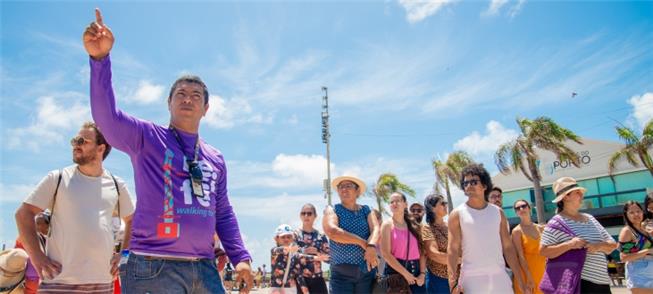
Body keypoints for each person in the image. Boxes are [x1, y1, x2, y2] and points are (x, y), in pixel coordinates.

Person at [83, 9, 252, 293]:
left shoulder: (215, 158)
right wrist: (100, 60)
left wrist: (241, 257)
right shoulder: (147, 137)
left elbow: (222, 211)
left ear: (206, 109)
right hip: (154, 266)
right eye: (181, 94)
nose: (188, 99)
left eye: (196, 96)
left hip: (205, 268)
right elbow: (107, 120)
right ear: (169, 103)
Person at [14, 122, 134, 293]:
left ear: (101, 148)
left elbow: (132, 219)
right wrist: (37, 257)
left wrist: (124, 255)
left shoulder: (117, 185)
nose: (76, 146)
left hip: (102, 284)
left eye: (82, 141)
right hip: (59, 283)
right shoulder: (57, 178)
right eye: (74, 141)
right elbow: (23, 214)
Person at [446, 164, 529, 294]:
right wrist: (452, 282)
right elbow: (452, 249)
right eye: (465, 182)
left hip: (499, 276)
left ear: (484, 186)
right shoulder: (457, 214)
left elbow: (508, 248)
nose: (469, 185)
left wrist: (519, 279)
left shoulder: (498, 212)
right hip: (471, 278)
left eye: (474, 182)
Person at [540, 177, 617, 294]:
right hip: (578, 284)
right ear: (566, 197)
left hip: (603, 283)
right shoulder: (555, 222)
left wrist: (598, 246)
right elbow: (543, 251)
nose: (582, 195)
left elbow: (612, 245)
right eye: (577, 192)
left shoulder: (590, 218)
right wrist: (570, 244)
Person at [323, 175, 380, 293]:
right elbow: (332, 232)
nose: (344, 189)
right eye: (341, 187)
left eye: (348, 186)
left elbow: (376, 229)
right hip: (340, 274)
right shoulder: (332, 209)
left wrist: (371, 246)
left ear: (357, 190)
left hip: (366, 272)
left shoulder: (367, 209)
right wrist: (364, 244)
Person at [380, 192, 426, 293]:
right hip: (396, 275)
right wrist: (406, 274)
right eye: (391, 202)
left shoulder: (415, 225)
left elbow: (422, 251)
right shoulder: (387, 225)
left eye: (398, 201)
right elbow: (386, 254)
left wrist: (422, 274)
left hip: (418, 274)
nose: (394, 204)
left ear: (405, 204)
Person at [270, 224, 327, 294]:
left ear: (292, 239)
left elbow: (302, 258)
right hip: (276, 287)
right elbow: (279, 250)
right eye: (283, 237)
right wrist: (288, 249)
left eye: (289, 237)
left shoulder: (294, 255)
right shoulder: (274, 251)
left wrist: (316, 258)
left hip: (291, 288)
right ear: (276, 239)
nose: (286, 239)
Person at [617, 201, 653, 292]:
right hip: (639, 274)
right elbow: (624, 257)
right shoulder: (628, 231)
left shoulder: (646, 228)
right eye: (632, 212)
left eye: (638, 211)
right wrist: (647, 251)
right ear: (626, 215)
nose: (636, 214)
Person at [511, 199, 544, 294]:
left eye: (524, 206)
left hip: (542, 272)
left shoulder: (541, 228)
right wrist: (529, 277)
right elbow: (520, 256)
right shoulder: (516, 231)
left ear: (529, 208)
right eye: (518, 208)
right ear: (516, 213)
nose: (521, 209)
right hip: (527, 275)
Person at [295, 204, 330, 294]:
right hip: (299, 280)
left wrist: (318, 253)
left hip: (317, 280)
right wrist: (303, 251)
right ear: (300, 216)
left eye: (309, 213)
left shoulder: (321, 236)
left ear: (315, 216)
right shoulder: (294, 235)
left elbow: (329, 258)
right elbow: (290, 256)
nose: (306, 216)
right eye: (303, 213)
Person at [422, 194, 453, 293]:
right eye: (442, 203)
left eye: (446, 203)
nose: (446, 205)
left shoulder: (451, 226)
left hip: (457, 279)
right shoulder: (427, 228)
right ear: (432, 208)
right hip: (438, 280)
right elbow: (433, 254)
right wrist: (460, 260)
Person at [14, 212, 50, 294]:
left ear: (48, 226)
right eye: (35, 223)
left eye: (39, 223)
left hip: (46, 281)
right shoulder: (23, 238)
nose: (36, 226)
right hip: (28, 280)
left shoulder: (54, 240)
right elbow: (17, 254)